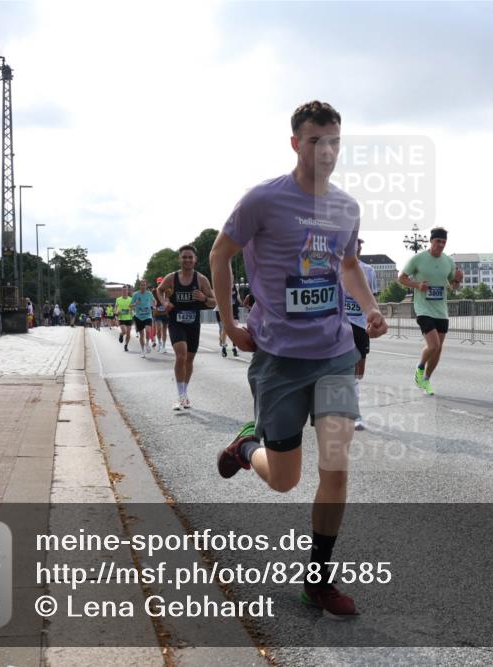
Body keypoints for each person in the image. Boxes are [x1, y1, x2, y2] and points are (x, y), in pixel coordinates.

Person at [210, 100, 386, 617]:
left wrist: (370, 308)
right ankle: (247, 449)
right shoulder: (263, 200)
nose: (326, 151)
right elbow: (221, 254)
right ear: (296, 144)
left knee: (335, 464)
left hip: (334, 352)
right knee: (285, 478)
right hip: (279, 358)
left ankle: (319, 579)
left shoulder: (347, 208)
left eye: (333, 141)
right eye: (315, 141)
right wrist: (227, 322)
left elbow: (349, 263)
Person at [398, 227, 463, 396]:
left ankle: (426, 379)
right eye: (438, 241)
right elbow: (401, 278)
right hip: (423, 308)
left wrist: (457, 280)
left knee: (439, 348)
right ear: (431, 241)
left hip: (441, 309)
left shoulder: (448, 261)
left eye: (443, 242)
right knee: (433, 345)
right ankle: (419, 369)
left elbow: (453, 287)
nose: (441, 245)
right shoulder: (418, 259)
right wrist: (418, 285)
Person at [157, 245, 216, 409]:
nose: (187, 260)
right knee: (181, 355)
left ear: (195, 260)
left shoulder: (201, 279)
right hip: (176, 322)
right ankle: (180, 395)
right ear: (179, 259)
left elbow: (213, 302)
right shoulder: (172, 278)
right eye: (184, 257)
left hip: (193, 323)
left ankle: (184, 392)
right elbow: (159, 290)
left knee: (189, 359)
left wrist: (204, 297)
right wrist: (165, 302)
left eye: (190, 257)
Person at [342, 239, 378, 430]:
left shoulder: (369, 271)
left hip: (360, 324)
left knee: (358, 372)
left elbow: (373, 298)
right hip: (339, 324)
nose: (359, 249)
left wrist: (374, 319)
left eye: (360, 246)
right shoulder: (333, 267)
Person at [215, 282, 242, 358]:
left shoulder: (236, 287)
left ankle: (234, 348)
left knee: (235, 330)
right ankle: (224, 347)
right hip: (226, 311)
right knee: (225, 330)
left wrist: (242, 303)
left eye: (232, 276)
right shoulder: (223, 286)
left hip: (235, 311)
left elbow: (238, 298)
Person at [130, 281, 156, 357]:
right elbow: (130, 306)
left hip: (148, 316)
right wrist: (135, 304)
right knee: (141, 334)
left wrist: (154, 304)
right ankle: (142, 350)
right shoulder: (135, 294)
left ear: (146, 286)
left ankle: (147, 344)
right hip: (138, 317)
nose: (143, 286)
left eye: (144, 285)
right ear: (139, 286)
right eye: (142, 285)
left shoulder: (149, 294)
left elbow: (154, 301)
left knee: (148, 331)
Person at [152, 277, 169, 354]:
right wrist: (154, 305)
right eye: (158, 283)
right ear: (157, 283)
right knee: (158, 329)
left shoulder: (167, 291)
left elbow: (169, 299)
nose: (159, 284)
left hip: (165, 313)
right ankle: (159, 343)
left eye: (161, 282)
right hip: (157, 313)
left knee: (164, 330)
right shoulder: (154, 291)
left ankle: (164, 346)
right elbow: (152, 301)